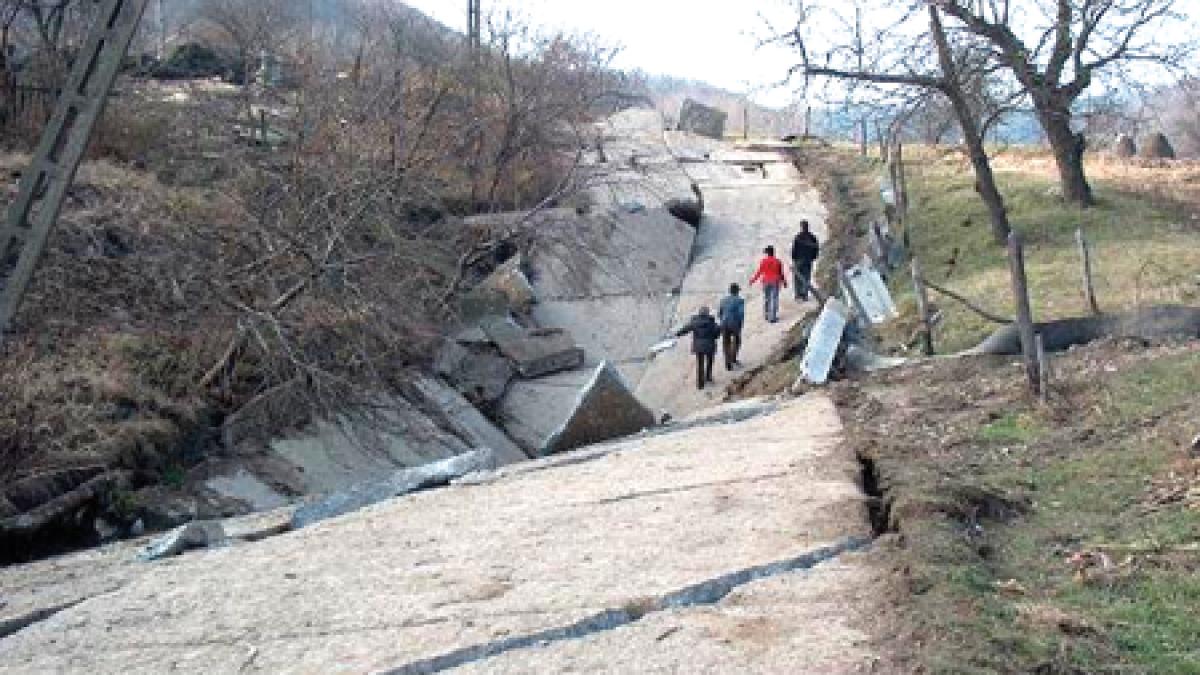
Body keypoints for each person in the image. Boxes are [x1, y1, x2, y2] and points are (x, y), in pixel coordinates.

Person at [675, 305, 721, 390]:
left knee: (700, 364)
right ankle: (708, 378)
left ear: (699, 314)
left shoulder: (694, 322)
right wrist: (715, 336)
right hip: (709, 346)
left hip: (698, 347)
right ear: (707, 314)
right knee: (710, 362)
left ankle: (700, 384)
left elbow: (685, 329)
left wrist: (677, 334)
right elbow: (717, 333)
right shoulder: (712, 323)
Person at [749, 245, 787, 323]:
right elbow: (781, 273)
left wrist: (752, 280)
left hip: (765, 281)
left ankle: (766, 315)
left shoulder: (763, 261)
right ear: (773, 252)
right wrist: (784, 282)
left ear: (767, 253)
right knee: (774, 299)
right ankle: (772, 317)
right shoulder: (778, 261)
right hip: (775, 281)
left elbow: (759, 272)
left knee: (767, 298)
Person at [790, 220, 820, 301]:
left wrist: (794, 258)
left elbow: (794, 249)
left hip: (799, 260)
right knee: (806, 277)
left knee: (797, 277)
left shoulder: (798, 237)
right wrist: (813, 257)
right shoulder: (813, 237)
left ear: (801, 227)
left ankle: (798, 294)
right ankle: (804, 295)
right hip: (808, 260)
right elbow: (816, 249)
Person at [718, 283, 745, 371]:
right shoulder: (740, 300)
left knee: (726, 343)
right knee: (737, 340)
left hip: (724, 324)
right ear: (737, 291)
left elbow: (719, 313)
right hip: (734, 324)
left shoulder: (723, 300)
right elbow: (741, 314)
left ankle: (727, 363)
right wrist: (740, 325)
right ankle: (733, 358)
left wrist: (722, 321)